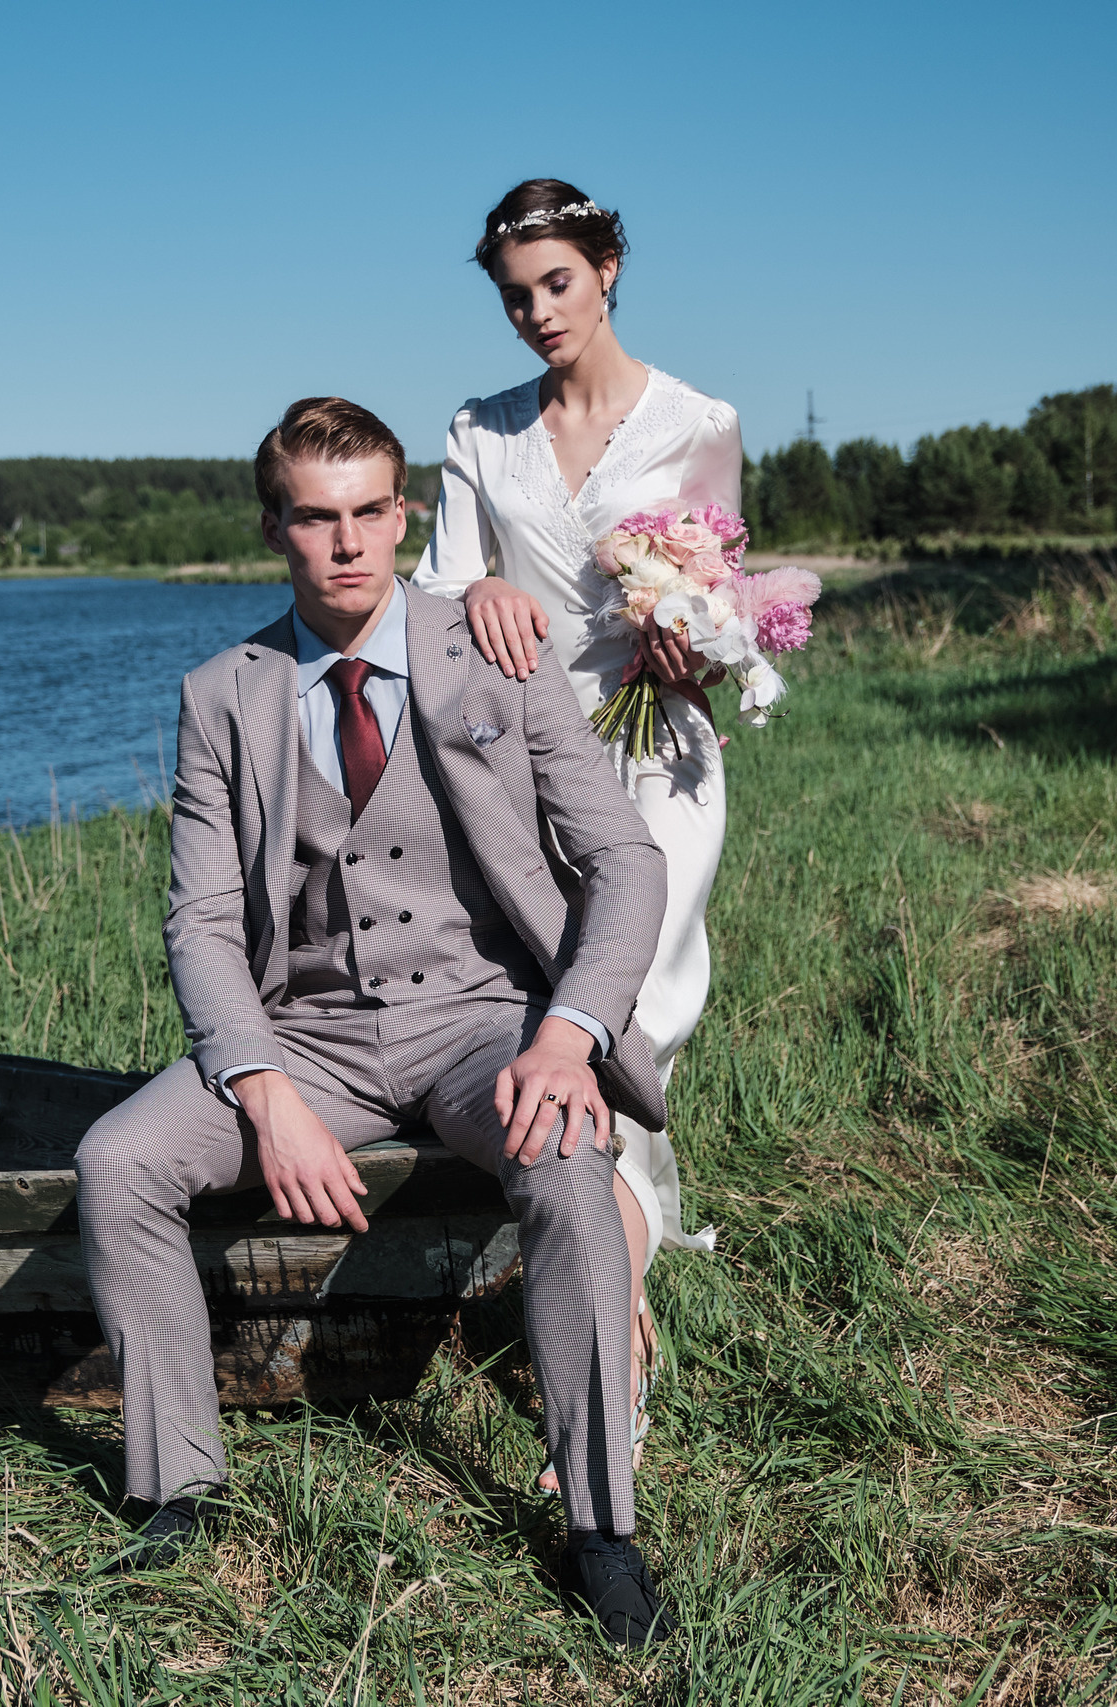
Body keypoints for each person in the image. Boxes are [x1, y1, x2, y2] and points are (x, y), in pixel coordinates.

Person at [75, 396, 673, 1645]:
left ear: (400, 516)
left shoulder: (494, 647)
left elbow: (622, 859)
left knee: (565, 1162)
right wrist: (262, 1088)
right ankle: (176, 1486)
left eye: (367, 514)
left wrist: (567, 1036)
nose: (345, 544)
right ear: (274, 528)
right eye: (314, 518)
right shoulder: (219, 695)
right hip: (307, 1037)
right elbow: (197, 923)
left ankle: (602, 1530)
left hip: (482, 1021)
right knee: (118, 1159)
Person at [413, 178, 741, 1491]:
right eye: (514, 296)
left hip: (657, 760)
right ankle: (617, 1284)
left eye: (557, 282)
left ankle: (610, 1374)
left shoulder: (699, 420)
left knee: (613, 1027)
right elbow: (433, 599)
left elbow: (726, 599)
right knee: (560, 1025)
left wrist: (688, 635)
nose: (537, 312)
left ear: (609, 268)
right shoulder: (477, 433)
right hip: (521, 771)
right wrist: (482, 578)